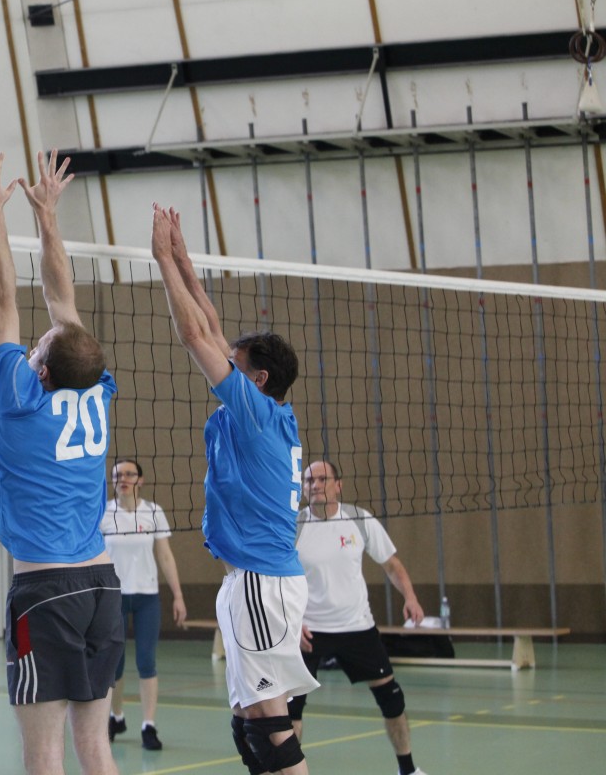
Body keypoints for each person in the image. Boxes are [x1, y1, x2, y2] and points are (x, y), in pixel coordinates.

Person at [150, 204, 317, 775]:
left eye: (236, 364)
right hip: (257, 581)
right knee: (249, 725)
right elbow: (214, 329)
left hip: (259, 582)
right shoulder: (269, 410)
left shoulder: (252, 411)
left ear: (258, 379)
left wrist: (159, 260)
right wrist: (182, 258)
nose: (226, 363)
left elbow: (195, 333)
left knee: (269, 725)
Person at [0, 148, 123, 775]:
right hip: (101, 585)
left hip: (44, 591)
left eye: (37, 348)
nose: (34, 341)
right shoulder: (97, 388)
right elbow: (63, 303)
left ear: (39, 368)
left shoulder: (22, 398)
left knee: (43, 751)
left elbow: (2, 298)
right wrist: (48, 217)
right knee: (96, 746)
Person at [290, 460, 429, 775]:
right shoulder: (292, 526)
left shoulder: (359, 519)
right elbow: (278, 580)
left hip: (357, 627)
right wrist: (292, 623)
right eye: (309, 480)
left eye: (323, 479)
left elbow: (391, 564)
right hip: (308, 630)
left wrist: (410, 597)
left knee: (391, 698)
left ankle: (407, 769)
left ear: (338, 485)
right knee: (291, 710)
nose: (315, 485)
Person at [101, 458, 187, 750]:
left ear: (141, 480)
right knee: (115, 664)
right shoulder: (103, 513)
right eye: (117, 475)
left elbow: (165, 555)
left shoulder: (153, 512)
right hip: (113, 597)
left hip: (147, 597)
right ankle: (116, 716)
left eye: (129, 474)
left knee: (146, 661)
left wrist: (178, 595)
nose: (123, 479)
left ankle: (148, 725)